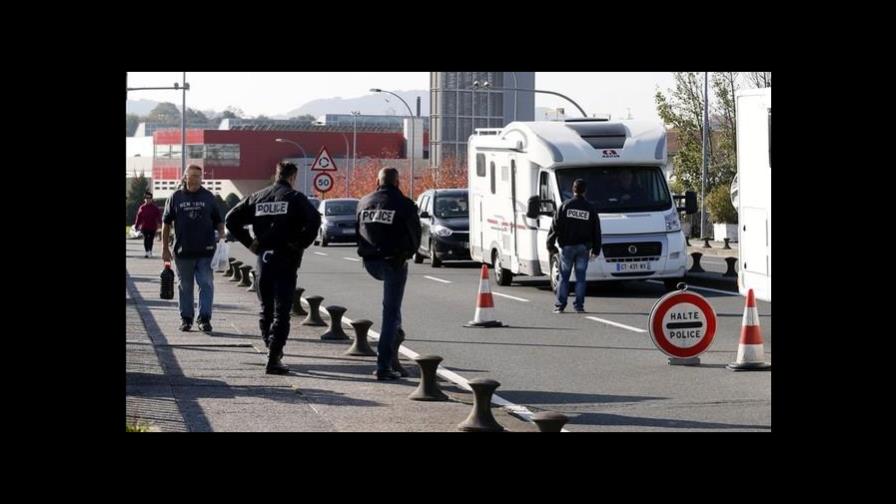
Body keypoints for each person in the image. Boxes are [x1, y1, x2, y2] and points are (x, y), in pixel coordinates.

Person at [224, 162, 320, 375]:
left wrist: (250, 242)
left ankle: (270, 347)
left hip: (263, 260)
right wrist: (300, 243)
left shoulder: (258, 197)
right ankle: (274, 356)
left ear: (275, 175)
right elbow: (315, 220)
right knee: (282, 310)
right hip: (286, 258)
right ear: (293, 177)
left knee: (266, 308)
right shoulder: (295, 199)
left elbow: (231, 219)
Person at [356, 167, 421, 380]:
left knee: (393, 314)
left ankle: (395, 350)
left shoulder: (363, 202)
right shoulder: (405, 205)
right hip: (393, 262)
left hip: (370, 262)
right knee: (390, 313)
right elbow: (415, 237)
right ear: (397, 182)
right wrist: (406, 254)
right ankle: (384, 365)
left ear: (378, 180)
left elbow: (358, 231)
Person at [162, 165, 226, 333]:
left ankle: (204, 319)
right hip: (183, 251)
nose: (197, 178)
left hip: (206, 251)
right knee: (185, 286)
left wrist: (222, 234)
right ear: (186, 177)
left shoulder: (208, 197)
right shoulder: (176, 197)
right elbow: (166, 223)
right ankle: (186, 319)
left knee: (206, 284)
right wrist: (164, 249)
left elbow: (218, 219)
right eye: (194, 175)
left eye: (199, 175)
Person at [546, 178, 602, 313]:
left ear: (573, 190)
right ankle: (579, 306)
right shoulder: (590, 208)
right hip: (583, 248)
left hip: (567, 247)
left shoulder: (565, 206)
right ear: (585, 191)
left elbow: (555, 226)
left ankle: (560, 305)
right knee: (581, 277)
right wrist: (596, 249)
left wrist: (550, 244)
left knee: (564, 277)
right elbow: (596, 230)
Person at [134, 191, 162, 258]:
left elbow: (159, 216)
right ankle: (147, 252)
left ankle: (150, 251)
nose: (148, 200)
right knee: (146, 239)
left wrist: (161, 223)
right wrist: (136, 226)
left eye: (149, 198)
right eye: (146, 198)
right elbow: (139, 217)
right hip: (144, 227)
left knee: (151, 239)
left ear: (151, 199)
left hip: (153, 227)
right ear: (144, 199)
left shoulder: (155, 208)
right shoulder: (142, 208)